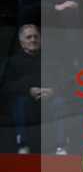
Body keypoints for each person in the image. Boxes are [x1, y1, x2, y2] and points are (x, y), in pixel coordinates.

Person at [2, 23, 68, 153]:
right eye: (29, 37)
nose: (33, 40)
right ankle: (23, 146)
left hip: (49, 100)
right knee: (20, 103)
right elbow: (7, 87)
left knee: (60, 102)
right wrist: (28, 90)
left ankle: (61, 146)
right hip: (26, 102)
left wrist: (53, 91)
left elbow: (63, 81)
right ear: (22, 42)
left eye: (36, 36)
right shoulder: (13, 62)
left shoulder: (50, 59)